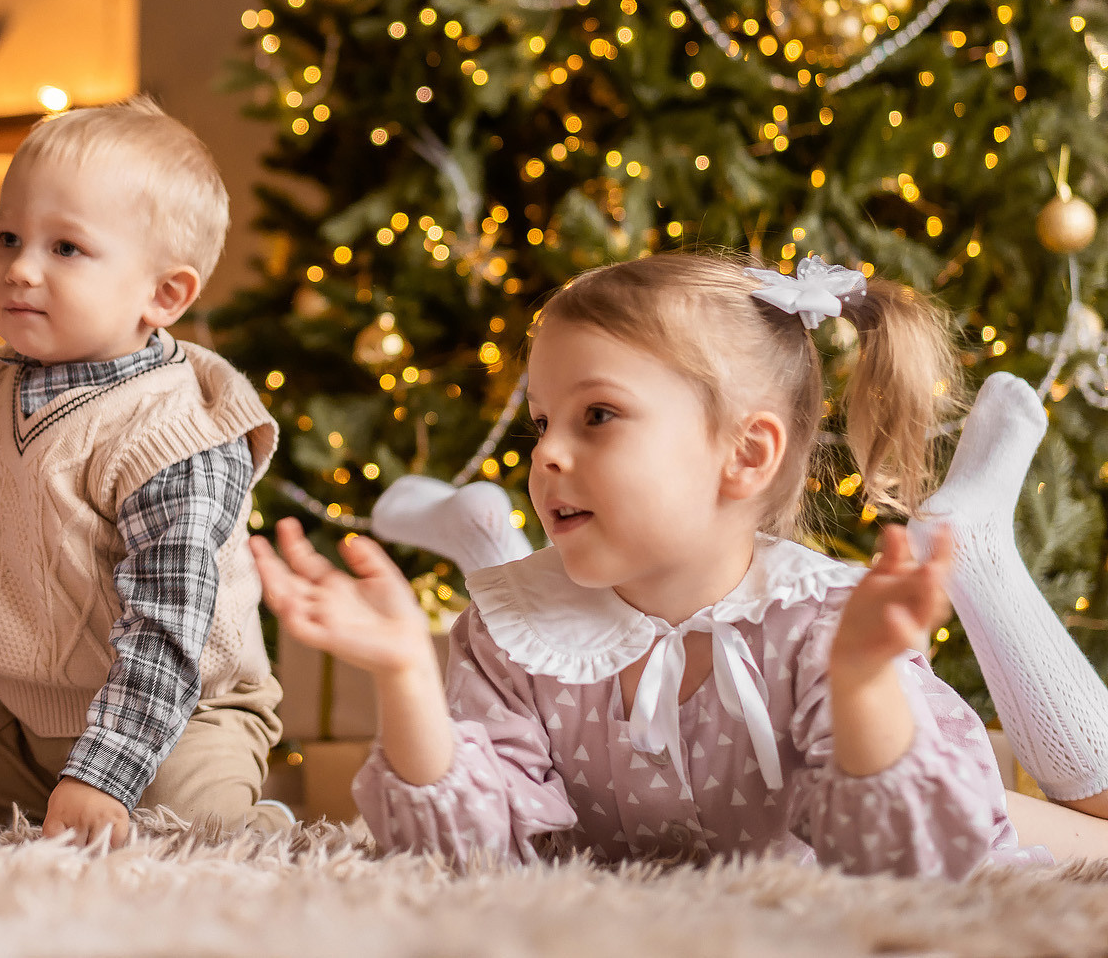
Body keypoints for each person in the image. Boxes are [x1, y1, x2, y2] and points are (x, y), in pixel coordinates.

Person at [257, 251, 1108, 876]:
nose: (545, 451)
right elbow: (459, 856)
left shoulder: (822, 623)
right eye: (541, 419)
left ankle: (982, 551)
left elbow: (912, 858)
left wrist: (861, 685)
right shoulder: (509, 634)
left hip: (999, 838)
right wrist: (408, 670)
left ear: (745, 455)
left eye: (597, 414)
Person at [0, 98, 289, 845]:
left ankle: (258, 821)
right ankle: (54, 790)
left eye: (66, 249)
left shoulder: (178, 435)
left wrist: (101, 775)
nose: (19, 268)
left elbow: (170, 628)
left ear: (165, 295)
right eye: (8, 236)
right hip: (23, 717)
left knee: (196, 829)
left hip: (181, 712)